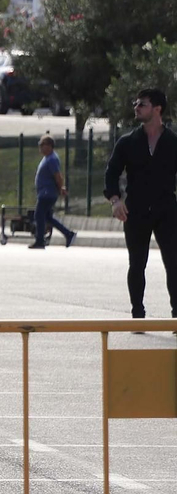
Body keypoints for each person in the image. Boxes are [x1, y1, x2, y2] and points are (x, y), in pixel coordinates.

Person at [105, 87, 177, 320]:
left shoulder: (173, 142)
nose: (136, 107)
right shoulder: (128, 142)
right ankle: (137, 312)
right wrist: (115, 200)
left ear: (157, 109)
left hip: (167, 209)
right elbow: (111, 172)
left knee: (174, 263)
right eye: (136, 103)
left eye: (142, 104)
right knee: (137, 263)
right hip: (135, 210)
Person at [29, 135, 76, 250]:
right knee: (48, 217)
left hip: (47, 193)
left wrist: (61, 188)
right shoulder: (48, 158)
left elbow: (58, 176)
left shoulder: (52, 159)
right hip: (45, 192)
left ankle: (40, 241)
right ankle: (68, 234)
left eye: (42, 145)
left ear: (49, 146)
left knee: (39, 215)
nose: (40, 148)